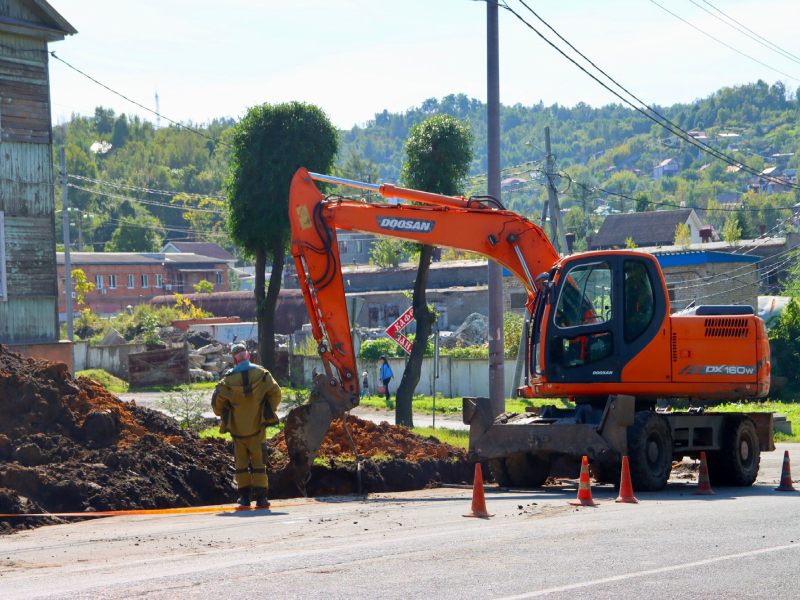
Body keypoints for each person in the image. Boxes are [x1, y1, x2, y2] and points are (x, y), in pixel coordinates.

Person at [211, 342, 281, 508]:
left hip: (237, 431)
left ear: (235, 360)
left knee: (241, 465)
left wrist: (225, 412)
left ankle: (244, 498)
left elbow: (216, 405)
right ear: (248, 356)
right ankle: (262, 498)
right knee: (259, 463)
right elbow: (276, 393)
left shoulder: (226, 381)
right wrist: (267, 409)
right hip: (258, 429)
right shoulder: (262, 375)